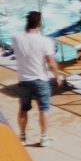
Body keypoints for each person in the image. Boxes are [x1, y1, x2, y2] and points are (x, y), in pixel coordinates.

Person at [11, 10, 57, 149]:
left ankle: (22, 137)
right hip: (41, 79)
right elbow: (51, 62)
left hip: (24, 80)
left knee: (23, 109)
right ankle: (43, 138)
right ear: (39, 24)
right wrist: (57, 76)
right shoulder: (45, 41)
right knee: (44, 109)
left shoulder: (15, 38)